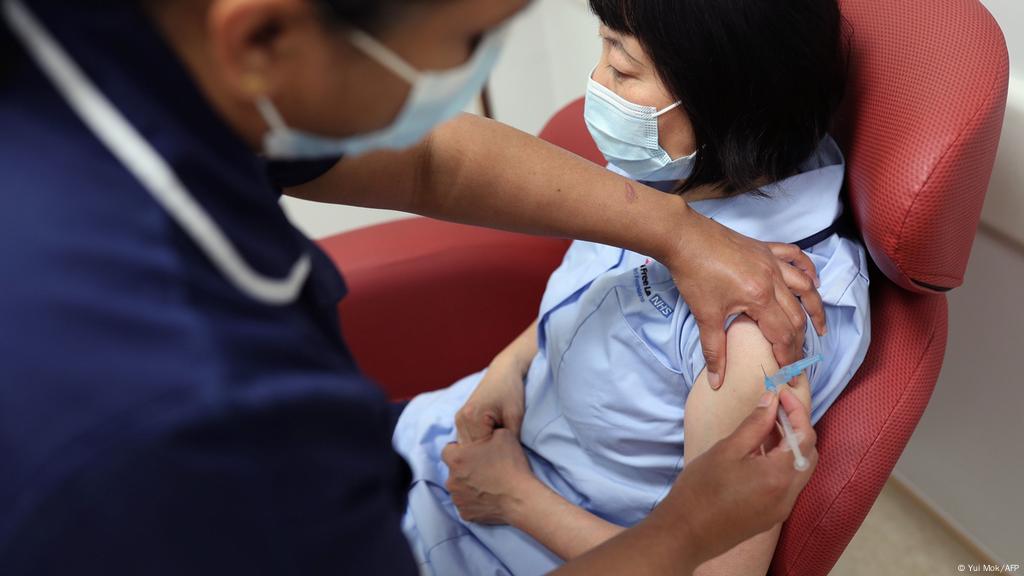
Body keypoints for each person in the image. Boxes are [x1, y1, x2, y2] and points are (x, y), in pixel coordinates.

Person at [0, 0, 821, 574]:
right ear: (262, 39)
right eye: (466, 40)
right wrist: (678, 533)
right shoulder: (193, 417)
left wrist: (673, 231)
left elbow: (433, 159)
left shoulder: (116, 44)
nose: (467, 77)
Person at [392, 0, 867, 574]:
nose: (596, 82)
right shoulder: (679, 171)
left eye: (621, 69)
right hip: (449, 438)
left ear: (726, 97)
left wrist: (516, 498)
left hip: (505, 542)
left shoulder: (756, 335)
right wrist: (509, 365)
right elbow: (600, 287)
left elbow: (711, 568)